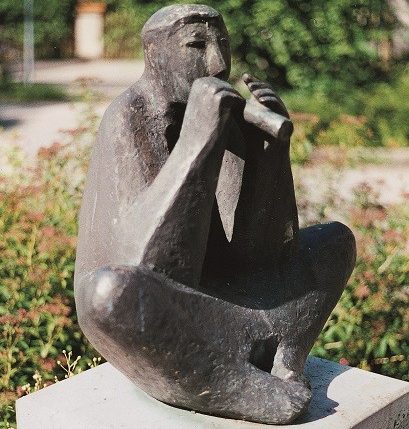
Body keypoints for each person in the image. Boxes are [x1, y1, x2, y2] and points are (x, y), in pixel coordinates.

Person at [74, 5, 356, 425]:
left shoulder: (222, 113)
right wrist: (197, 140)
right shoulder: (128, 117)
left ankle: (284, 352)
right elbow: (153, 266)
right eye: (196, 46)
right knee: (108, 294)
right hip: (156, 306)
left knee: (336, 242)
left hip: (226, 303)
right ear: (156, 55)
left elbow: (259, 252)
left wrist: (271, 154)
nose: (218, 64)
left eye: (222, 44)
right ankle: (236, 385)